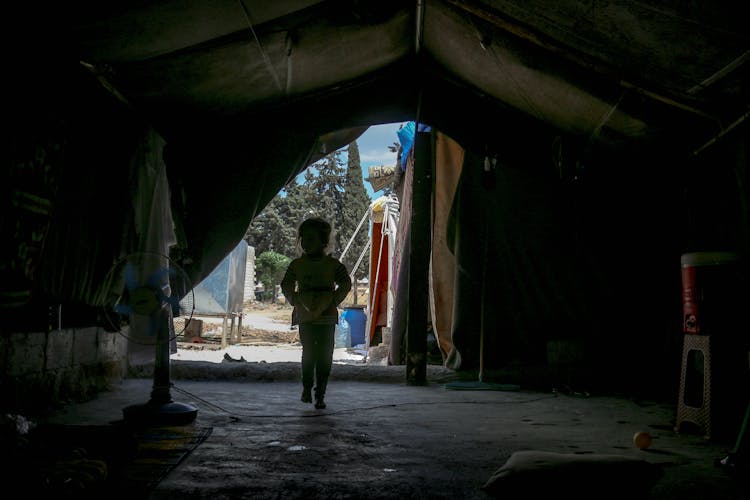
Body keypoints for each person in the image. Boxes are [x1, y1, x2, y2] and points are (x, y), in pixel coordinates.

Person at [281, 217, 352, 409]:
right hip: (306, 316)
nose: (305, 242)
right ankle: (307, 388)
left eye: (311, 238)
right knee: (309, 353)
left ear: (324, 241)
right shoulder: (297, 265)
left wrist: (334, 299)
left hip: (326, 316)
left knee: (324, 354)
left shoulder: (333, 265)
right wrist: (294, 299)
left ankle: (320, 393)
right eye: (303, 238)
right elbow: (286, 284)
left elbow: (346, 282)